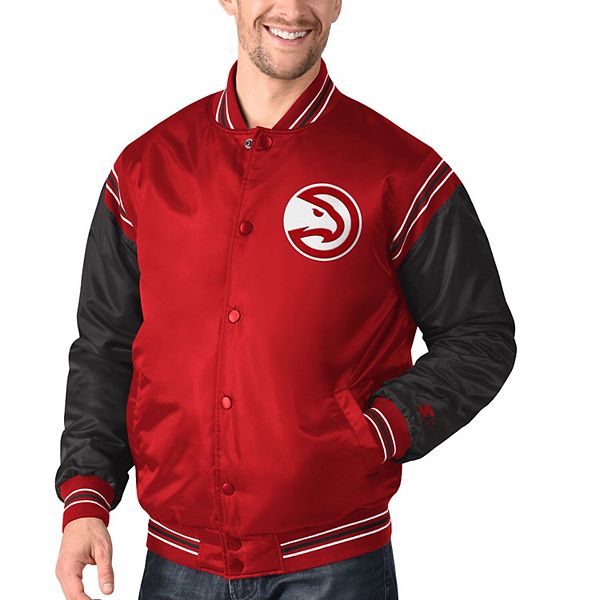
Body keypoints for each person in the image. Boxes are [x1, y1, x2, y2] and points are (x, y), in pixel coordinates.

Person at [54, 1, 517, 598]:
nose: (293, 9)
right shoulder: (146, 169)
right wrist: (86, 498)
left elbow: (479, 336)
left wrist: (378, 430)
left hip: (336, 563)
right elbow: (106, 345)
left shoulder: (401, 172)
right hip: (177, 564)